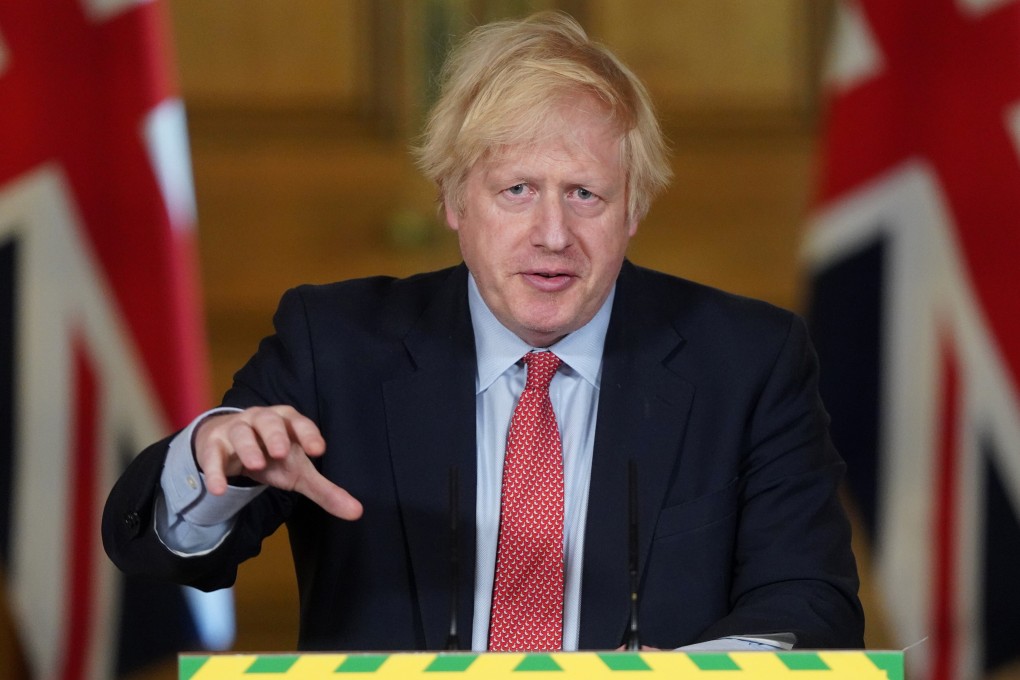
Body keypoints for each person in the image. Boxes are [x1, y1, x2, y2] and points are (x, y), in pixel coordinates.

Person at [103, 11, 864, 653]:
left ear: (633, 209)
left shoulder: (749, 361)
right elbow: (162, 552)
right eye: (517, 191)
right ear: (454, 201)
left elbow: (811, 607)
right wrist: (216, 458)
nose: (552, 234)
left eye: (586, 194)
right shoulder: (336, 345)